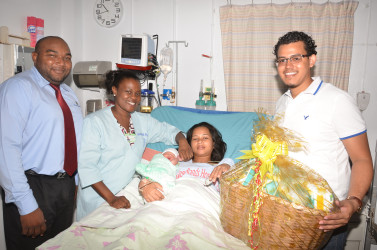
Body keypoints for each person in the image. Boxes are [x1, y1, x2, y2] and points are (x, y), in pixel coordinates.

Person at [273, 31, 373, 249]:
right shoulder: (282, 103)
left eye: (296, 58)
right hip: (286, 215)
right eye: (282, 60)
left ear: (312, 60)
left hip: (325, 219)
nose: (288, 65)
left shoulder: (337, 100)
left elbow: (362, 160)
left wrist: (354, 201)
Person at [0, 36, 83, 249]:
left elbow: (73, 141)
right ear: (35, 57)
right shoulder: (17, 88)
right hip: (33, 186)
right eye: (52, 55)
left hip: (64, 187)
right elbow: (6, 148)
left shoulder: (67, 93)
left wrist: (73, 184)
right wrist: (26, 205)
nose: (61, 62)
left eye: (66, 57)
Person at [76, 70, 193, 221]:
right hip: (99, 198)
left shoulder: (142, 121)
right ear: (115, 90)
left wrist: (182, 141)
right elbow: (87, 167)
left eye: (137, 93)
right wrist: (112, 199)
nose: (134, 98)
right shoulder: (94, 122)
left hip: (126, 195)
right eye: (128, 92)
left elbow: (168, 131)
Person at [140, 122, 234, 201]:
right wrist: (145, 185)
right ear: (189, 144)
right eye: (195, 139)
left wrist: (227, 165)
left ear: (213, 143)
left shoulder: (219, 167)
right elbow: (152, 174)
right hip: (170, 201)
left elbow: (235, 182)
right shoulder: (175, 163)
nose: (200, 141)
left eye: (205, 138)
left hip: (202, 204)